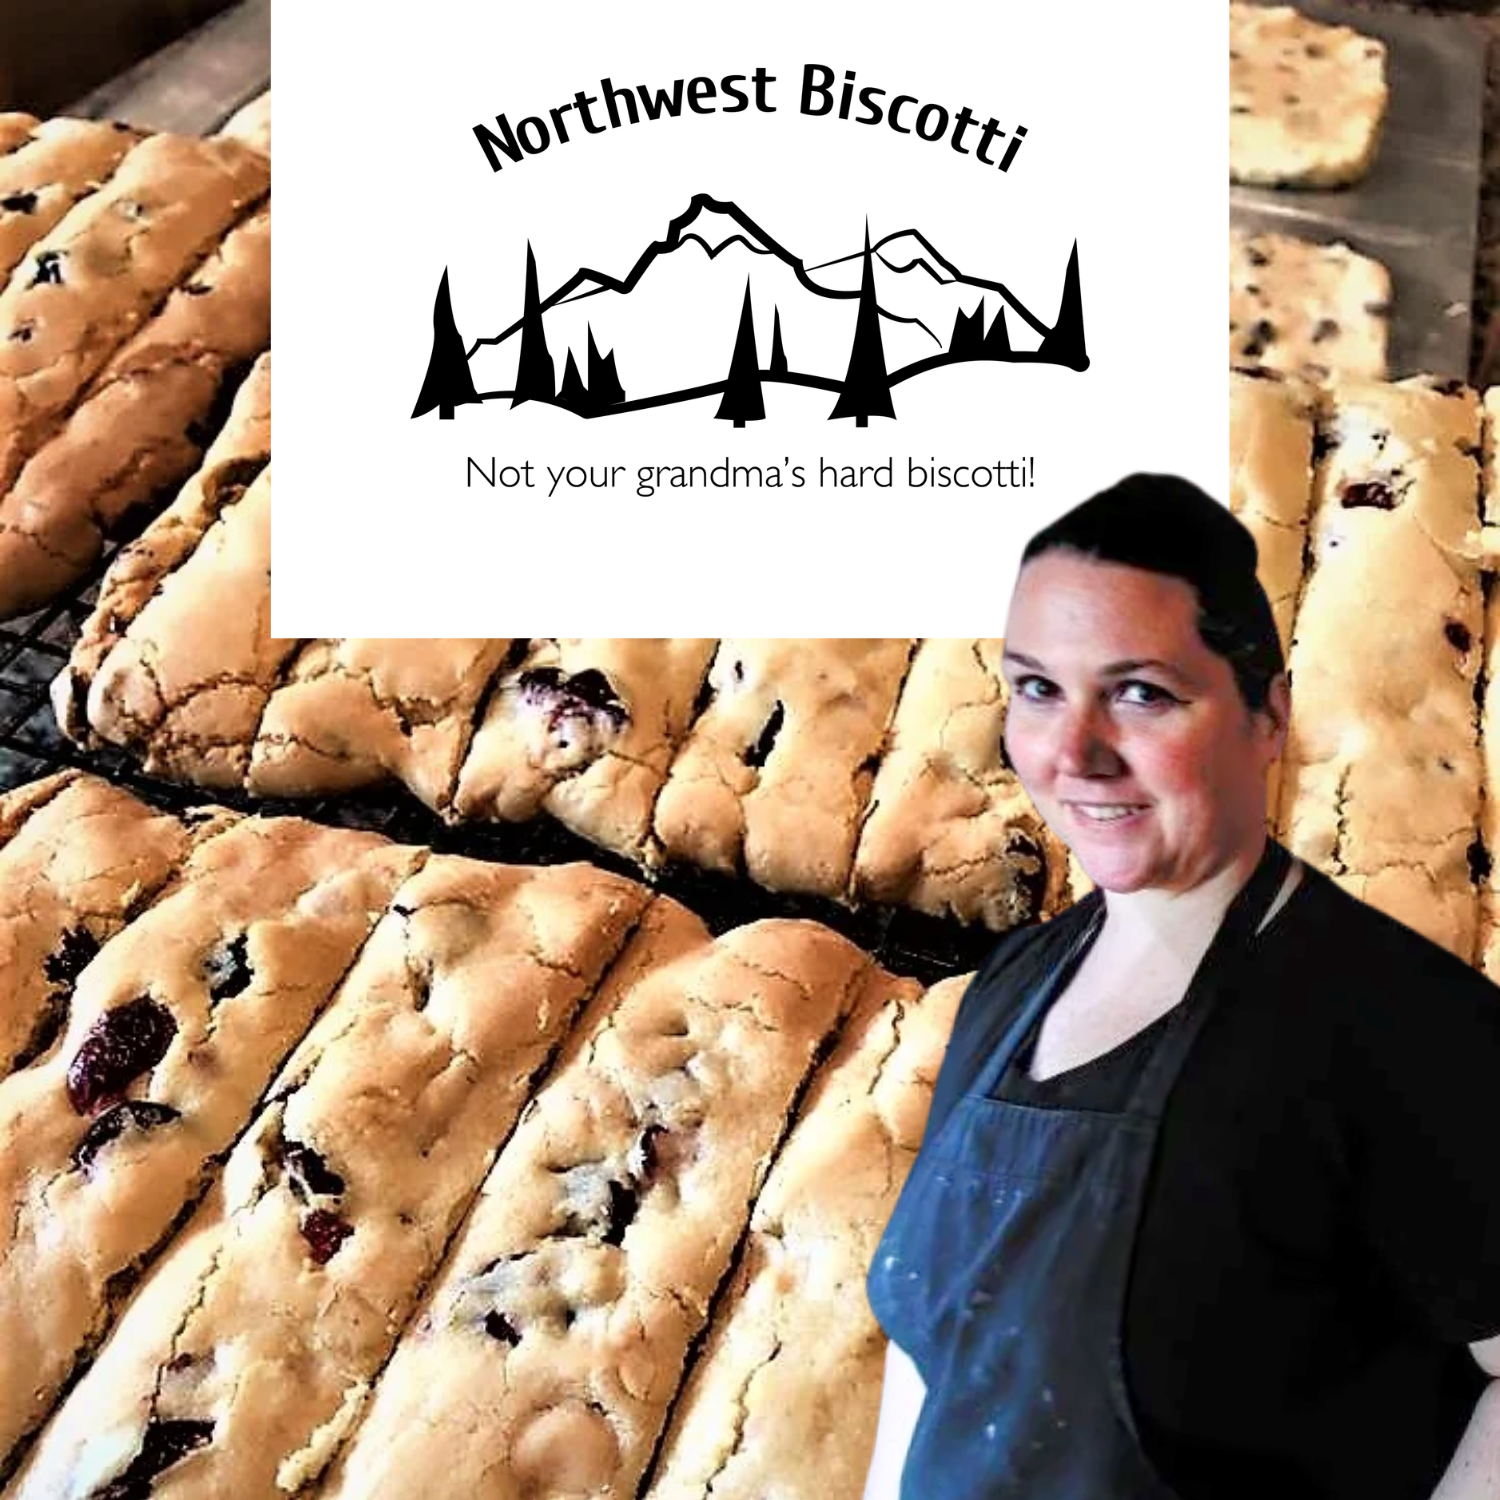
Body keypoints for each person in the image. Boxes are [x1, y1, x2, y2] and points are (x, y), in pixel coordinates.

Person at [863, 474, 1500, 1500]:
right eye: (1037, 689)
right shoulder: (1008, 990)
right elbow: (937, 1352)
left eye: (1140, 693)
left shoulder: (1393, 1023)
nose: (1074, 753)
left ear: (1265, 717)